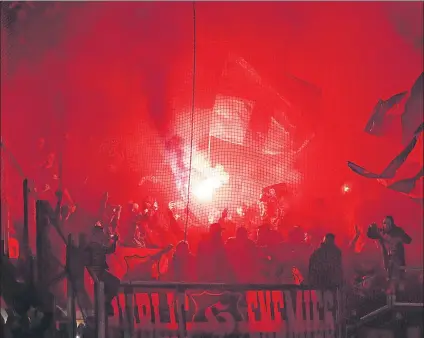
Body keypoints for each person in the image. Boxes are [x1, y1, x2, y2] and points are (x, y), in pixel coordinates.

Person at [367, 215, 412, 293]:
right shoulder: (381, 232)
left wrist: (401, 236)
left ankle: (399, 297)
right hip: (387, 262)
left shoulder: (397, 232)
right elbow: (370, 234)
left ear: (392, 224)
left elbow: (408, 240)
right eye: (384, 223)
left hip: (398, 262)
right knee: (390, 283)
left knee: (398, 285)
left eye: (387, 223)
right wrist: (371, 228)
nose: (385, 225)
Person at [84, 222, 120, 316]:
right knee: (113, 282)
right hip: (96, 274)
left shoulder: (99, 246)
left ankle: (106, 303)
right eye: (100, 233)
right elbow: (87, 264)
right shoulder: (90, 248)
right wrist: (93, 277)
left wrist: (114, 241)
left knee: (115, 282)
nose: (102, 235)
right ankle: (105, 303)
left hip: (101, 273)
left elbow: (111, 250)